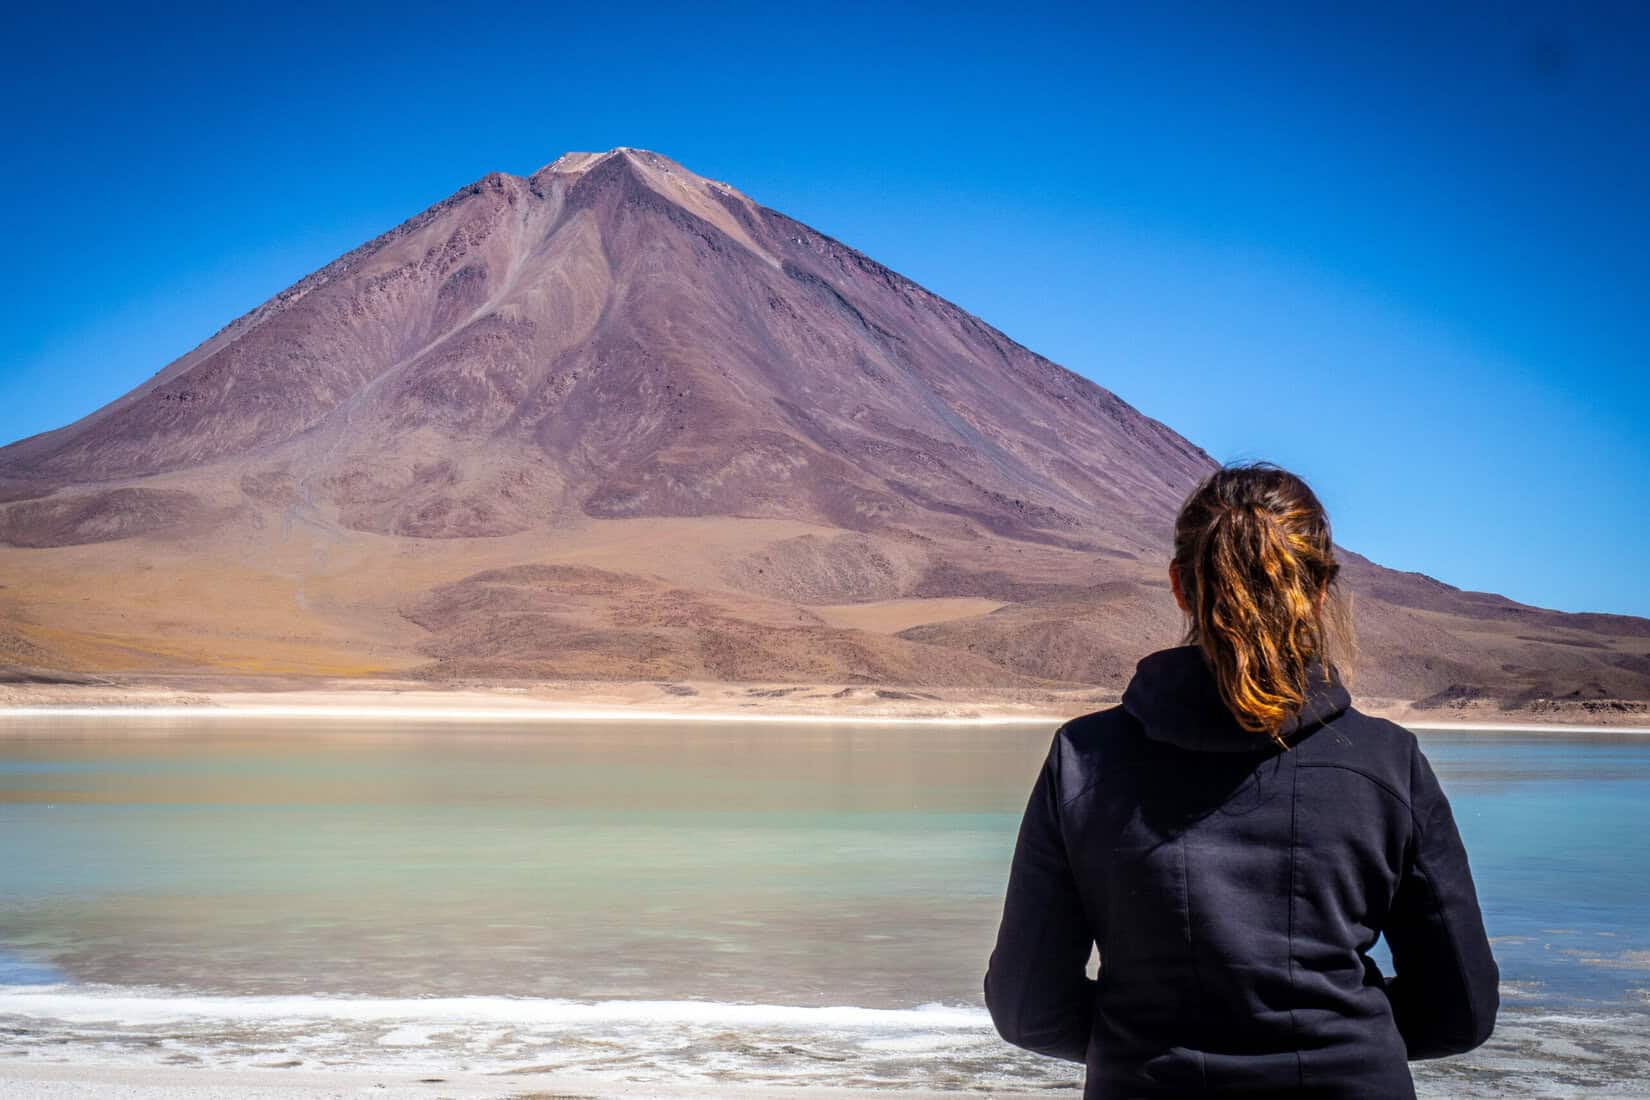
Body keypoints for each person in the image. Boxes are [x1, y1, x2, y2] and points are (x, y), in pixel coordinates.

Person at [983, 461, 1498, 1098]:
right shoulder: (1387, 763)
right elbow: (1462, 1011)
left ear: (1179, 585)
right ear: (1319, 588)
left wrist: (1140, 1045)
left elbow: (1027, 1007)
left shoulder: (1084, 758)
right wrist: (1344, 1038)